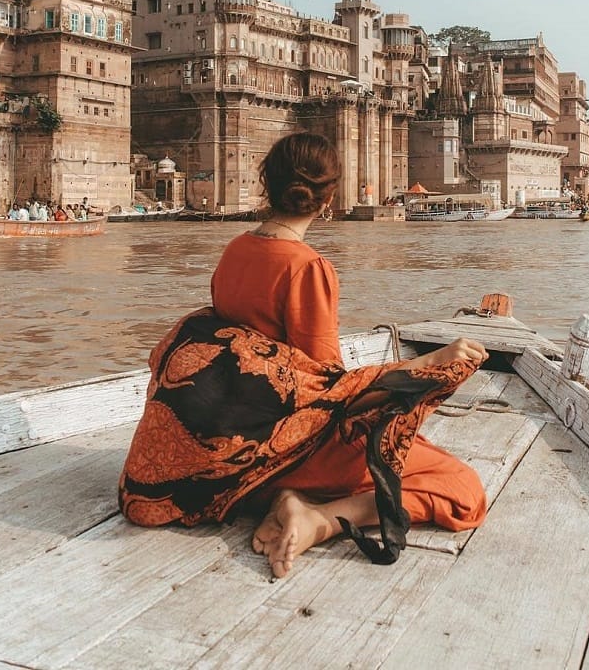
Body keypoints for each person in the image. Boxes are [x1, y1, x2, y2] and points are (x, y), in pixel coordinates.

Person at [119, 131, 488, 580]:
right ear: (328, 198)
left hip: (235, 464)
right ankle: (323, 518)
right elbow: (331, 393)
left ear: (264, 185)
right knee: (463, 489)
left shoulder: (234, 251)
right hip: (292, 451)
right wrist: (426, 366)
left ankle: (285, 498)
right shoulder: (307, 267)